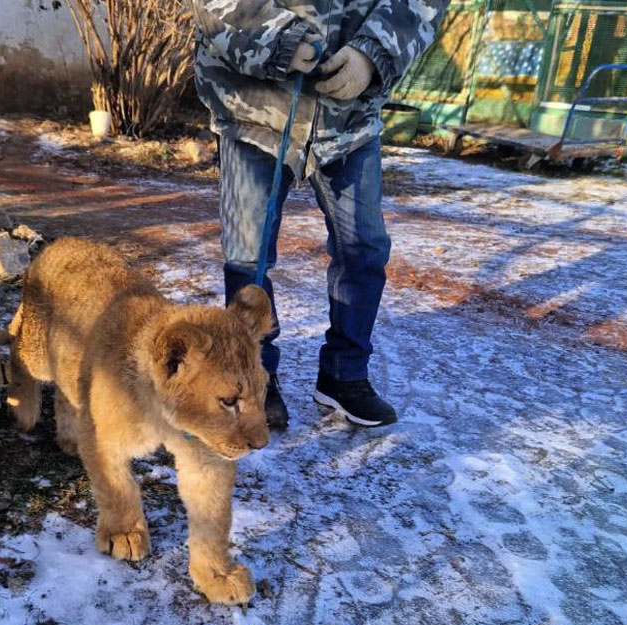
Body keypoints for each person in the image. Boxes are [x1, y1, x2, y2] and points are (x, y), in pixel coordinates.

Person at [191, 0, 449, 429]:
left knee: (364, 248)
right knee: (247, 255)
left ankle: (344, 376)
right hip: (252, 108)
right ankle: (256, 377)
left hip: (350, 115)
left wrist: (373, 53)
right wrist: (277, 38)